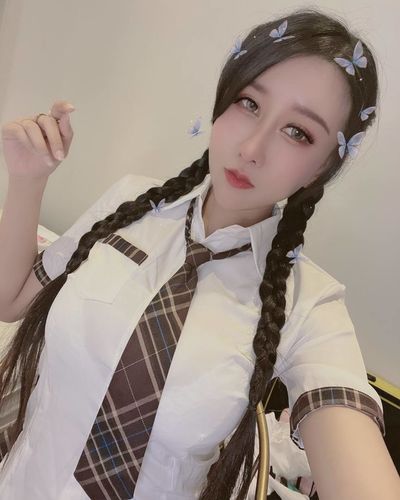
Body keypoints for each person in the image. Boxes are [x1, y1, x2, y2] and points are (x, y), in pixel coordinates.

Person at [0, 6, 399, 500]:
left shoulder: (310, 305)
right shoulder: (130, 202)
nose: (252, 148)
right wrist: (27, 180)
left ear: (320, 168)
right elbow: (11, 300)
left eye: (298, 132)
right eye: (249, 103)